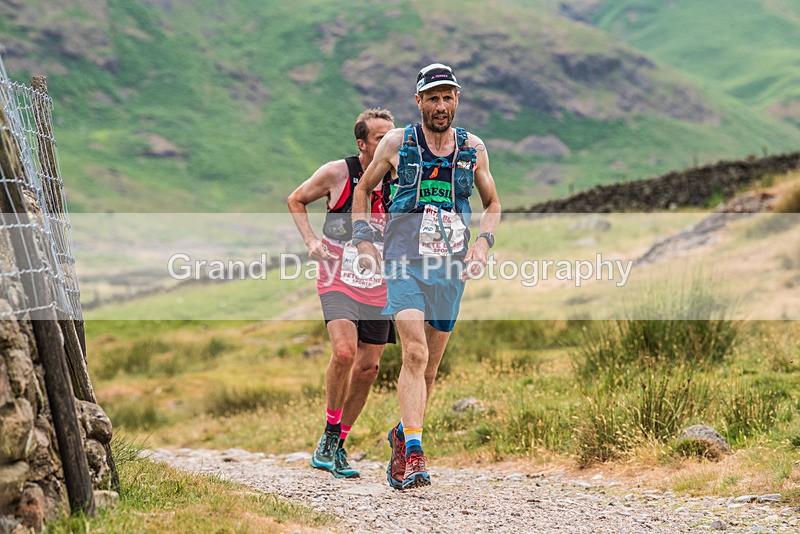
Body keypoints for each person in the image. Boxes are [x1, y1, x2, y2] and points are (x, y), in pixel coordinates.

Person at [351, 63, 501, 490]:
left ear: (457, 99)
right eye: (432, 97)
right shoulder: (398, 143)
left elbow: (493, 203)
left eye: (447, 96)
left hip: (450, 267)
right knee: (413, 354)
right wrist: (364, 242)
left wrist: (483, 245)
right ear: (418, 101)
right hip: (401, 261)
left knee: (430, 369)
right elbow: (363, 190)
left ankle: (402, 435)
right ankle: (415, 454)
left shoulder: (474, 149)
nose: (440, 105)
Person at [287, 108, 396, 479]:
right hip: (337, 277)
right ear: (362, 143)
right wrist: (311, 240)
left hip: (380, 286)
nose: (390, 143)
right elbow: (296, 199)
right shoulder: (338, 172)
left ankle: (337, 442)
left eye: (392, 136)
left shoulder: (401, 178)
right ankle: (330, 436)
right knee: (344, 352)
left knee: (369, 369)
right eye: (381, 138)